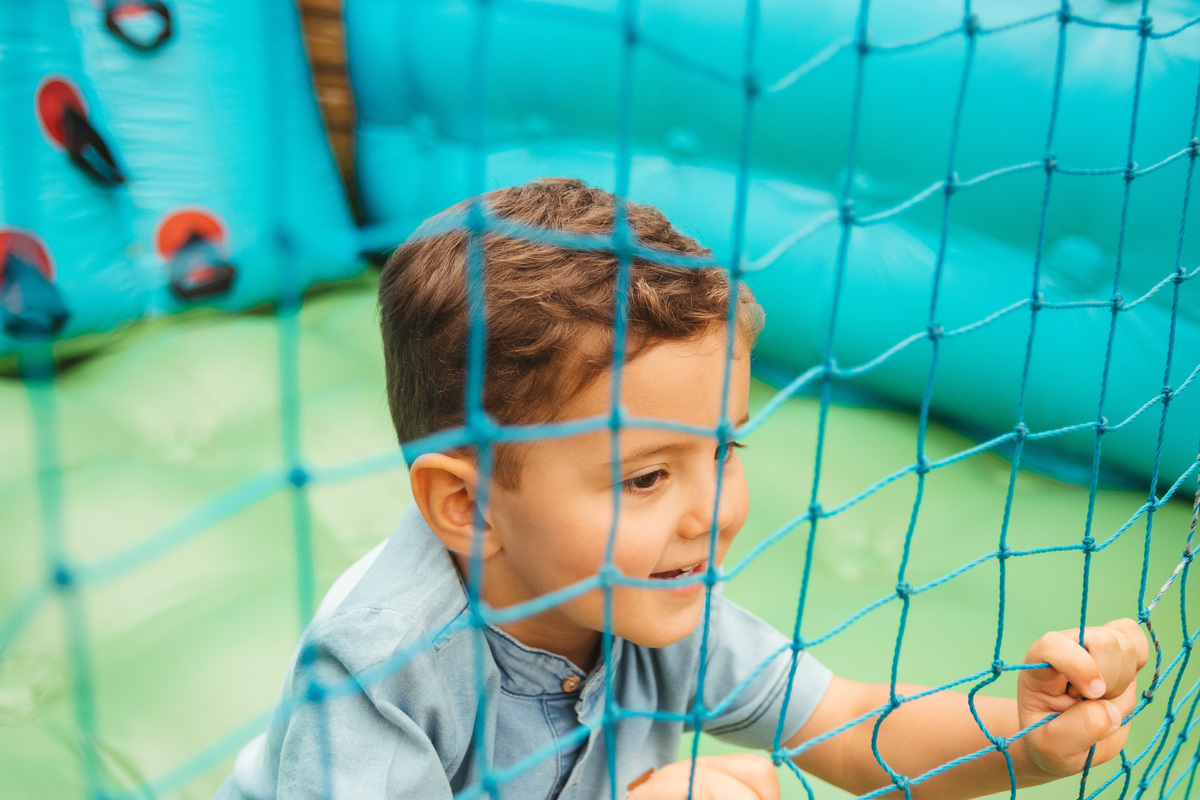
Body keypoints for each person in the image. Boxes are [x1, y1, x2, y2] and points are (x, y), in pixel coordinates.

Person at [216, 178, 1148, 800]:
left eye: (723, 451)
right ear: (470, 506)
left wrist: (1022, 737)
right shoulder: (379, 666)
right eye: (648, 476)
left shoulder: (649, 596)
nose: (714, 514)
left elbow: (846, 722)